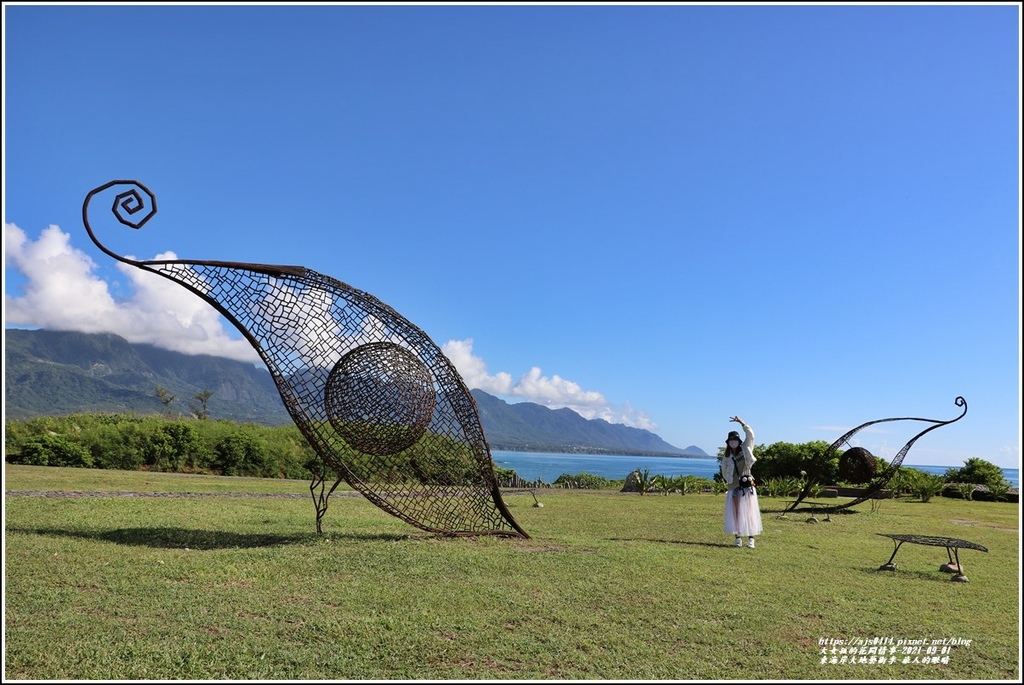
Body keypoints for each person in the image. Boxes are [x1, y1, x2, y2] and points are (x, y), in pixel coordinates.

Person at [721, 416, 763, 548]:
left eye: (735, 439)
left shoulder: (746, 448)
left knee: (749, 512)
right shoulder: (727, 457)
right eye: (731, 440)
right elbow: (724, 471)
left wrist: (742, 423)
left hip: (746, 484)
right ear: (728, 442)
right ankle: (737, 537)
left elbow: (751, 435)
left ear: (739, 441)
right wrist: (729, 481)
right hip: (734, 486)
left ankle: (751, 539)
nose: (733, 442)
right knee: (736, 512)